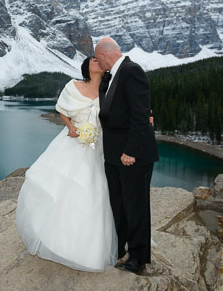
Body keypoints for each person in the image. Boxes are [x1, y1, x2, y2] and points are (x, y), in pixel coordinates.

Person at [16, 56, 117, 272]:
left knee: (95, 192)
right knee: (60, 188)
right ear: (86, 67)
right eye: (93, 60)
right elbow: (61, 109)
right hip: (72, 142)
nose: (97, 62)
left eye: (100, 60)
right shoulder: (73, 85)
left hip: (98, 146)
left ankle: (89, 249)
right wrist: (70, 127)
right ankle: (55, 240)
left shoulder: (109, 88)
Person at [95, 37, 159, 275]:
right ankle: (120, 250)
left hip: (133, 156)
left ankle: (138, 258)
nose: (98, 62)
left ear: (104, 55)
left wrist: (130, 151)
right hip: (113, 157)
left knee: (136, 207)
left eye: (97, 58)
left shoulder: (132, 71)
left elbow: (140, 116)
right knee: (118, 206)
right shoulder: (110, 77)